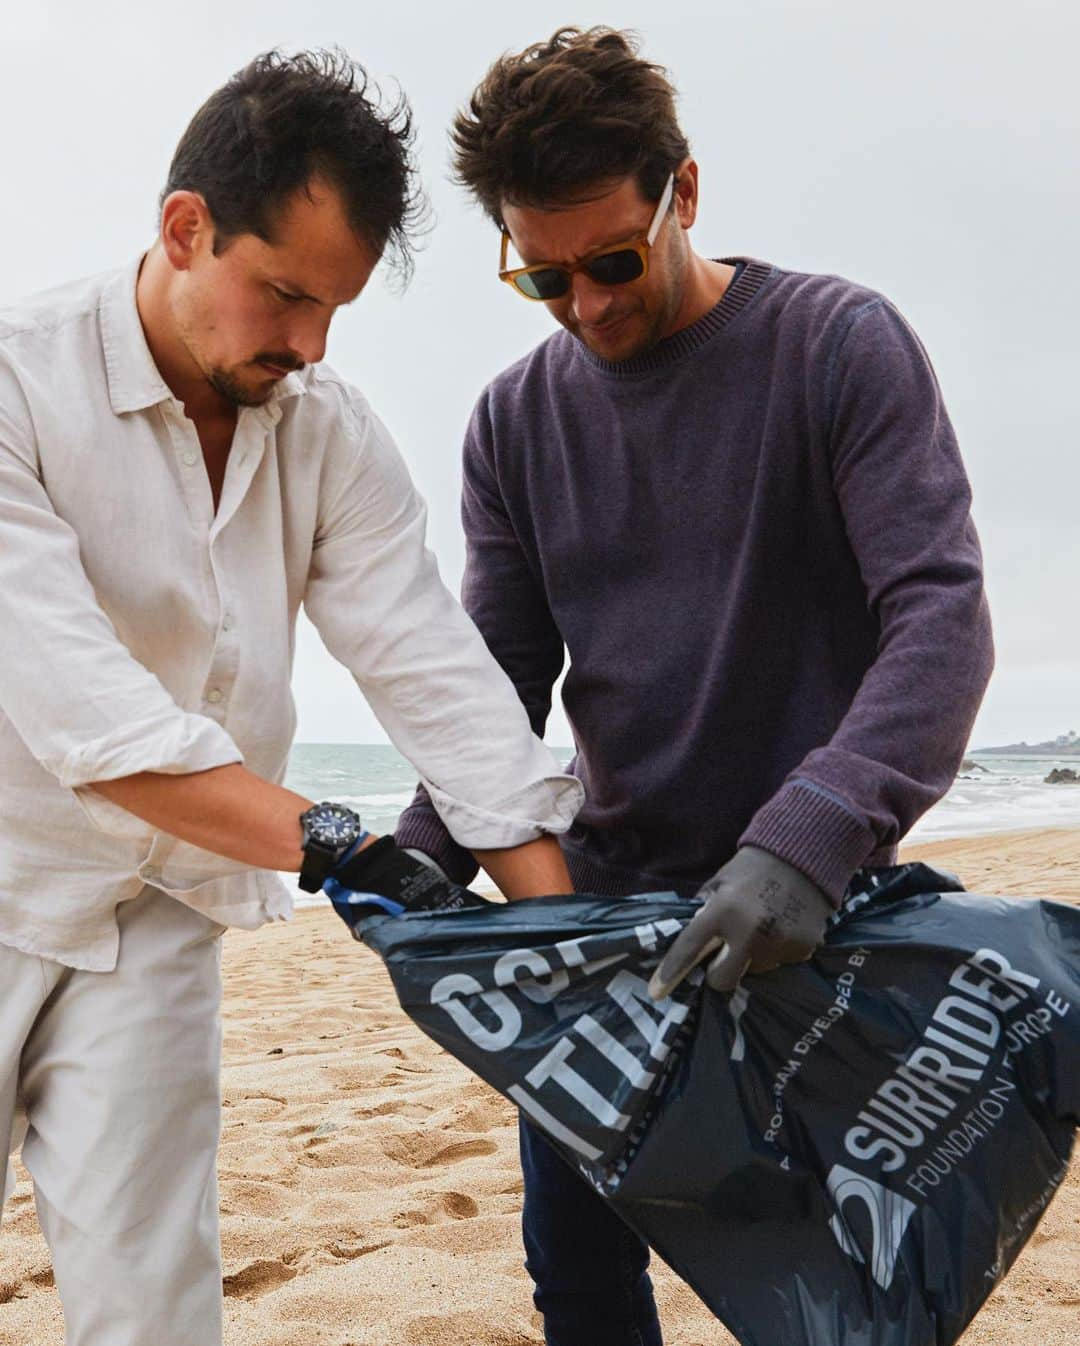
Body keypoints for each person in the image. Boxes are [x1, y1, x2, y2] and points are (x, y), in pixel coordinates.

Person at [394, 25, 994, 1346]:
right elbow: (502, 670)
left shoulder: (838, 346)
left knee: (850, 1294)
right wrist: (429, 840)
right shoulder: (510, 423)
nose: (590, 304)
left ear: (688, 192)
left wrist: (807, 840)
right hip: (611, 929)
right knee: (582, 1278)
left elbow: (941, 619)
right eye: (543, 278)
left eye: (614, 259)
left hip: (822, 922)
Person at [0, 50, 582, 1346]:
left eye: (337, 308)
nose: (309, 344)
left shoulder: (326, 428)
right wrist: (340, 840)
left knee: (151, 1315)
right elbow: (90, 730)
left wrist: (567, 939)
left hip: (158, 916)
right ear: (183, 227)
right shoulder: (15, 388)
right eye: (282, 295)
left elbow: (437, 673)